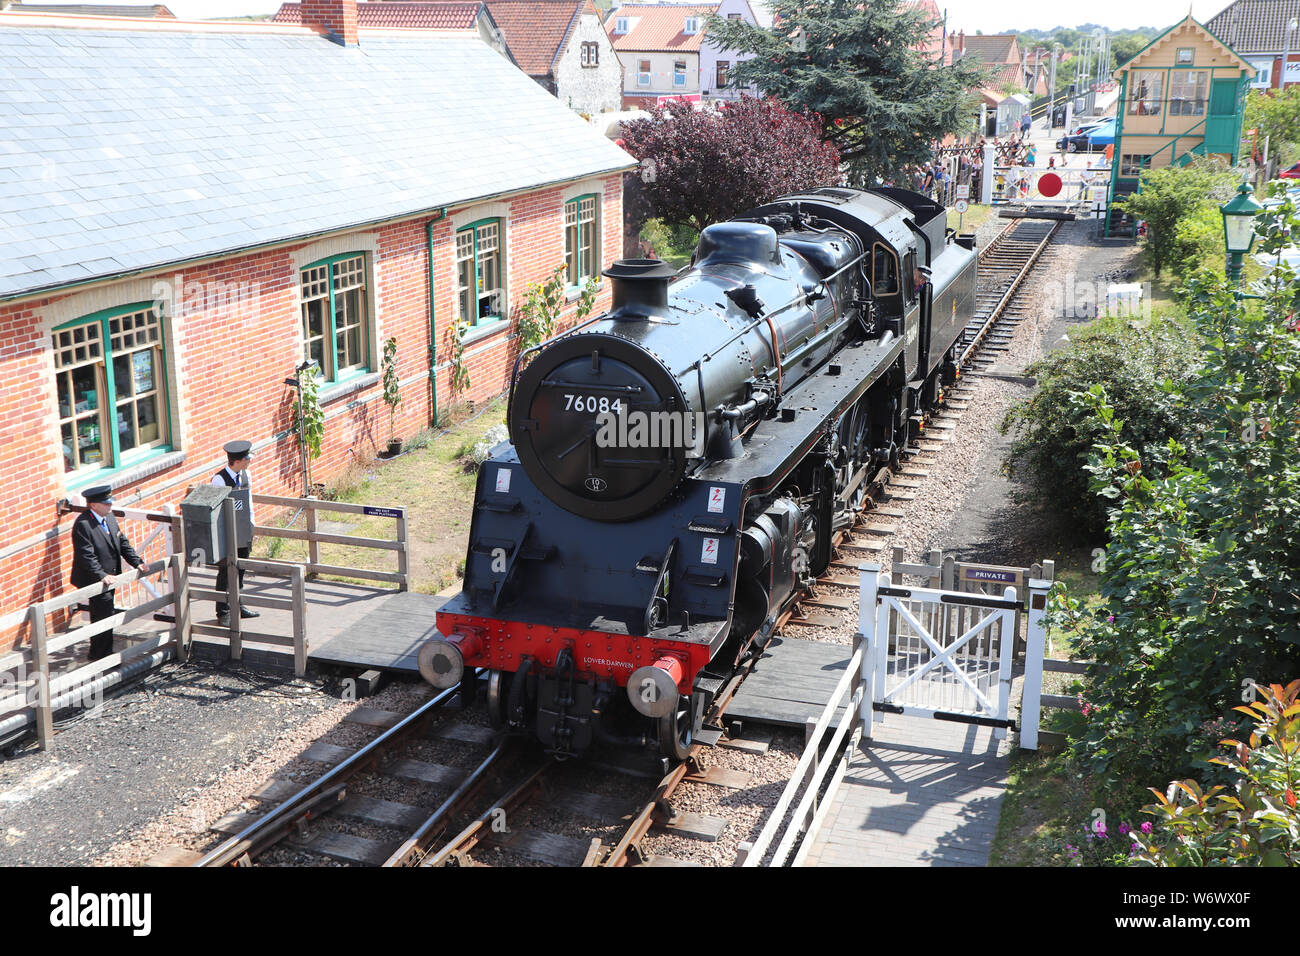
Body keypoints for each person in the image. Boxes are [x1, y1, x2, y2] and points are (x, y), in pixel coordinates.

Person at [70, 485, 144, 662]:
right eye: (106, 504)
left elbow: (122, 542)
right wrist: (101, 575)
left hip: (110, 576)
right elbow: (86, 555)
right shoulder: (83, 524)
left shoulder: (108, 517)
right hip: (94, 579)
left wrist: (137, 562)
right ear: (94, 505)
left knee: (105, 613)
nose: (110, 506)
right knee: (102, 615)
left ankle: (103, 652)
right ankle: (100, 654)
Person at [212, 440, 259, 625]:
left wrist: (251, 525)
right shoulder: (219, 480)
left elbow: (249, 503)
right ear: (237, 461)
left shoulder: (246, 475)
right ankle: (223, 611)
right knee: (225, 572)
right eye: (247, 459)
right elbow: (216, 511)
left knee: (241, 570)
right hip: (227, 534)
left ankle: (238, 606)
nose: (249, 462)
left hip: (243, 530)